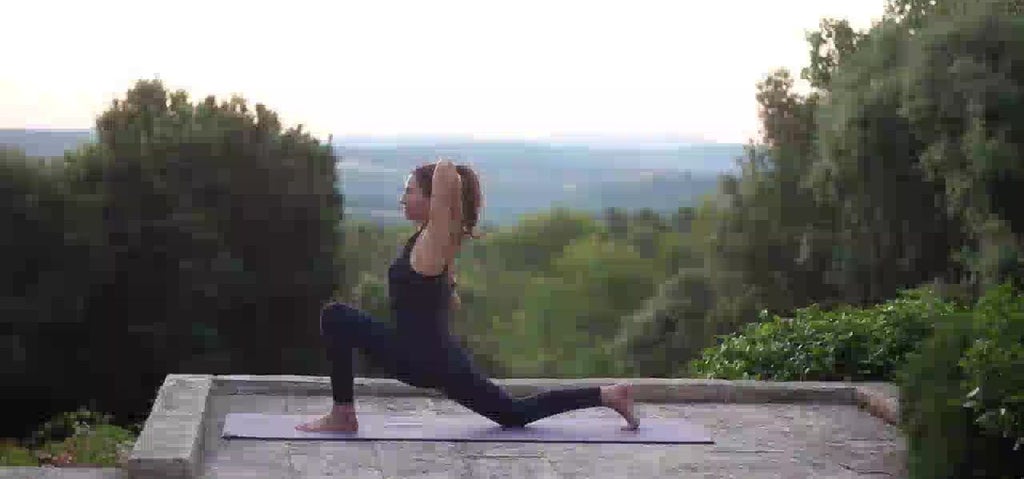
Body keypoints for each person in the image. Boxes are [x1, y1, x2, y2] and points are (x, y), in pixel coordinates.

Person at [296, 158, 639, 433]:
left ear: (434, 202)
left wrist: (448, 171)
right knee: (513, 414)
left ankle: (343, 414)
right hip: (441, 359)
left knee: (336, 316)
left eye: (411, 191)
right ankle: (607, 394)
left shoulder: (435, 238)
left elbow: (445, 173)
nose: (403, 199)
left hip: (417, 357)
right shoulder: (430, 242)